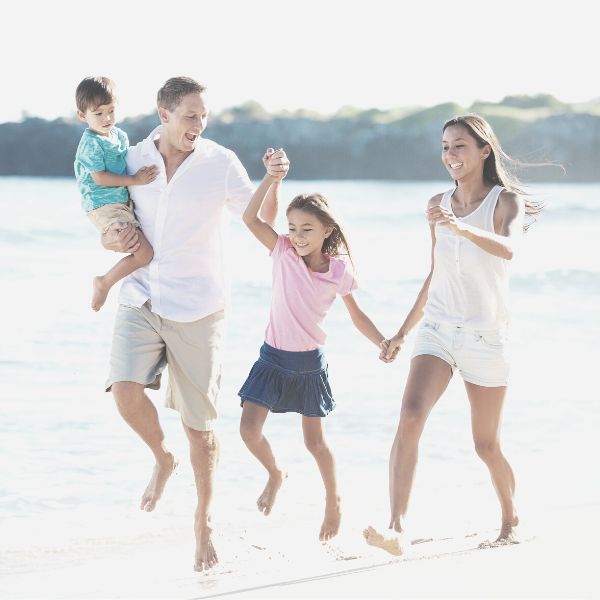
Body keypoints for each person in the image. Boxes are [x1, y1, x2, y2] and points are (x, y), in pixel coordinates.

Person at [100, 76, 289, 571]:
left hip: (199, 306)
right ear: (164, 115)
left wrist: (274, 180)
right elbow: (108, 214)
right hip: (141, 293)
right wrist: (109, 240)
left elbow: (258, 218)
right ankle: (163, 459)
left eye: (203, 116)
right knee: (124, 392)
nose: (198, 125)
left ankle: (203, 522)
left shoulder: (219, 162)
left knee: (200, 429)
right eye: (190, 115)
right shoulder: (133, 157)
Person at [364, 114, 542, 555]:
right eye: (445, 147)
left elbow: (510, 248)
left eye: (459, 146)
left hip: (486, 336)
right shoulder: (437, 202)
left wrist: (459, 226)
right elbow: (435, 273)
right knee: (409, 416)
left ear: (484, 151)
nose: (450, 155)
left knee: (485, 445)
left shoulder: (505, 202)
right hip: (438, 329)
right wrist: (402, 332)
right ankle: (397, 528)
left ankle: (510, 517)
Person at [239, 161, 393, 542]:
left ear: (328, 230)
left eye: (307, 229)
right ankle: (275, 473)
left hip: (308, 365)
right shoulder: (282, 252)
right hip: (271, 358)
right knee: (248, 431)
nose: (298, 236)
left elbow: (357, 316)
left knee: (315, 443)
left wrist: (382, 342)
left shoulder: (339, 271)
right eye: (292, 228)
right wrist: (272, 179)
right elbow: (249, 217)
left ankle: (333, 500)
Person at [74, 76, 158, 311]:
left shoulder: (119, 136)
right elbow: (99, 177)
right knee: (144, 254)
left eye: (111, 110)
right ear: (83, 115)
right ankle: (104, 282)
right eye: (98, 113)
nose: (107, 118)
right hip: (102, 205)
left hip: (122, 202)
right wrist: (136, 180)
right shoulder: (90, 143)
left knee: (146, 250)